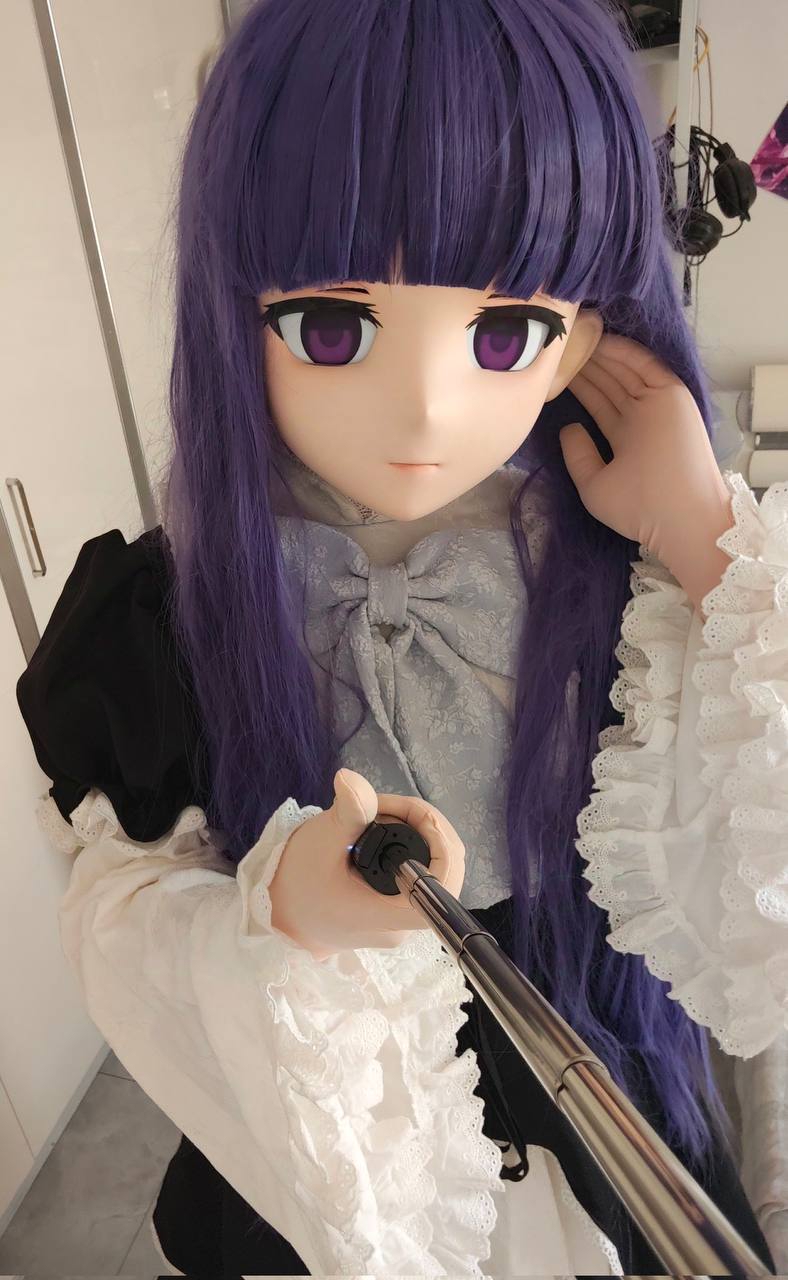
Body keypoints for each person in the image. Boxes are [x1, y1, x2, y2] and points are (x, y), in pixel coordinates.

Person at [16, 0, 785, 1273]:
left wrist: (704, 541)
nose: (425, 406)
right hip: (330, 1132)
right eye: (333, 328)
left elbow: (756, 874)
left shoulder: (626, 571)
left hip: (584, 1082)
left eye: (504, 334)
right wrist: (283, 915)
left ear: (583, 336)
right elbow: (122, 920)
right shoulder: (163, 608)